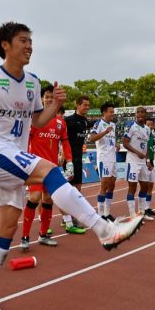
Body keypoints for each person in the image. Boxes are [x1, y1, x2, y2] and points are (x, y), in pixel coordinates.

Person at [0, 22, 144, 310]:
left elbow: (38, 121)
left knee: (6, 229)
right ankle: (105, 230)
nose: (29, 46)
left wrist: (57, 105)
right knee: (51, 172)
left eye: (31, 42)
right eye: (23, 41)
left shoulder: (33, 83)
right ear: (5, 45)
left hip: (15, 155)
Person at [20, 85, 75, 251]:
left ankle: (43, 235)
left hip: (51, 168)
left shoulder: (60, 123)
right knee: (34, 198)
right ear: (42, 99)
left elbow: (65, 143)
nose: (50, 99)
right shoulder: (34, 120)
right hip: (35, 167)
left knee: (48, 199)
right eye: (47, 97)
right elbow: (24, 142)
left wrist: (69, 162)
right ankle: (25, 237)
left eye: (52, 97)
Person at [62, 95, 93, 231]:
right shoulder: (68, 120)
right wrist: (62, 155)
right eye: (84, 105)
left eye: (88, 105)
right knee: (69, 190)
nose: (87, 107)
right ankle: (69, 219)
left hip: (79, 158)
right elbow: (61, 137)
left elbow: (94, 127)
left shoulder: (85, 121)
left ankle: (69, 216)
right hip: (69, 159)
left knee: (78, 188)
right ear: (77, 105)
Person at [89, 102, 119, 221]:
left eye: (113, 112)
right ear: (104, 112)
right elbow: (91, 138)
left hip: (113, 158)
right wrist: (105, 132)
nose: (112, 114)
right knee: (104, 184)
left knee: (112, 185)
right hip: (104, 158)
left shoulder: (113, 124)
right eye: (110, 112)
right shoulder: (99, 124)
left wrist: (116, 144)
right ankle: (100, 215)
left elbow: (111, 139)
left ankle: (107, 213)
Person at [123, 107, 152, 220]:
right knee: (132, 188)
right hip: (133, 161)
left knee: (145, 187)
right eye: (138, 112)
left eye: (142, 112)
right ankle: (132, 215)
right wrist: (137, 152)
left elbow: (146, 147)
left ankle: (142, 212)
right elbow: (125, 143)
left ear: (145, 114)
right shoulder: (131, 126)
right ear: (135, 114)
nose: (140, 114)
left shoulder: (147, 129)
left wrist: (148, 160)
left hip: (143, 162)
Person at [144, 118, 155, 216]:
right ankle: (142, 209)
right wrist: (147, 160)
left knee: (150, 186)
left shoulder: (154, 138)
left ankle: (147, 208)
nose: (150, 126)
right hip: (144, 163)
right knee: (144, 187)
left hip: (152, 163)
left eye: (151, 125)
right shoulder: (143, 136)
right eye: (148, 124)